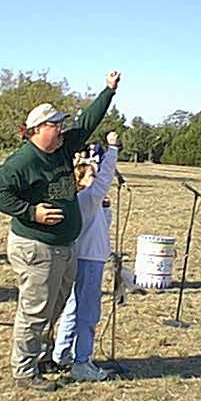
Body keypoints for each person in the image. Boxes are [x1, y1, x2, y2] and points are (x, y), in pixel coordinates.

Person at [0, 70, 121, 392]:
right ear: (36, 130)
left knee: (55, 306)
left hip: (64, 245)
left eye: (61, 124)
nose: (62, 129)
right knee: (34, 311)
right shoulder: (23, 161)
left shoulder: (61, 147)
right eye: (55, 124)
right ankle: (23, 370)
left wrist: (108, 91)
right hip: (37, 246)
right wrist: (31, 212)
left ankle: (42, 356)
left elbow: (87, 122)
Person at [52, 131, 120, 381]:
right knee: (88, 312)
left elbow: (104, 223)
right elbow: (104, 179)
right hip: (89, 259)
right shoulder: (86, 198)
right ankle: (82, 362)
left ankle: (62, 353)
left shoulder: (89, 201)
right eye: (91, 173)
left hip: (84, 257)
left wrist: (106, 208)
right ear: (80, 180)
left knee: (73, 307)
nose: (96, 176)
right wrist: (112, 149)